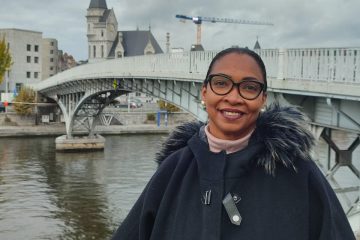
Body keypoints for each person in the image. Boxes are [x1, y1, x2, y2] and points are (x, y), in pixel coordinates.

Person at [112, 47, 355, 240]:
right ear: (204, 92)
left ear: (263, 99)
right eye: (221, 83)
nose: (233, 97)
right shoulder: (173, 170)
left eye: (249, 87)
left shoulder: (298, 172)